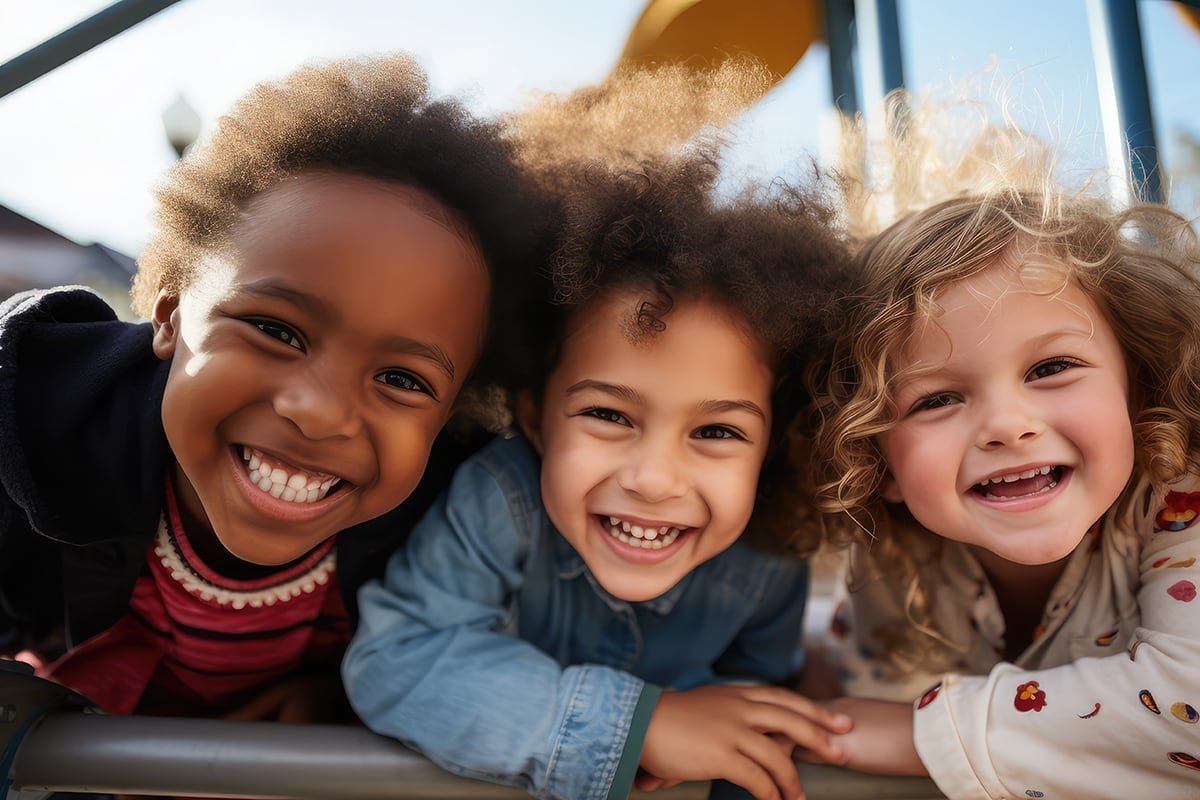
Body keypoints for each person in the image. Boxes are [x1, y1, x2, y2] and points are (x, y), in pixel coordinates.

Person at [0, 53, 545, 721]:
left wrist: (348, 701)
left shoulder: (464, 509)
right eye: (276, 331)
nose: (319, 412)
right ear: (168, 316)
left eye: (402, 380)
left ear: (451, 414)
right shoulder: (42, 420)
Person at [341, 139, 856, 800]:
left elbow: (758, 700)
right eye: (609, 416)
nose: (654, 478)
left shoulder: (767, 555)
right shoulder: (501, 500)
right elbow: (398, 659)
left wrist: (744, 718)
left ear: (772, 447)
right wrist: (639, 725)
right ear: (534, 414)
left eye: (718, 431)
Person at [801, 169, 1200, 796]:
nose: (1008, 427)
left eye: (1052, 367)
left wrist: (918, 734)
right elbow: (850, 693)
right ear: (874, 460)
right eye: (935, 400)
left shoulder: (1179, 497)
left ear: (1137, 386)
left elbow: (1188, 713)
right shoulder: (893, 562)